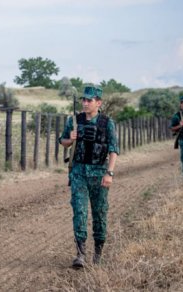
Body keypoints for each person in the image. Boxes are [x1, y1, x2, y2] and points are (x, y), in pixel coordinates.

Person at [59, 85, 119, 268]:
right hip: (78, 174)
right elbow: (63, 142)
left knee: (99, 213)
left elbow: (113, 149)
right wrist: (71, 138)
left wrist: (109, 172)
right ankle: (81, 254)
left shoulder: (107, 123)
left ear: (98, 102)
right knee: (80, 212)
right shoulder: (74, 121)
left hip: (99, 175)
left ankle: (98, 253)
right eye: (83, 100)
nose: (85, 103)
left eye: (89, 100)